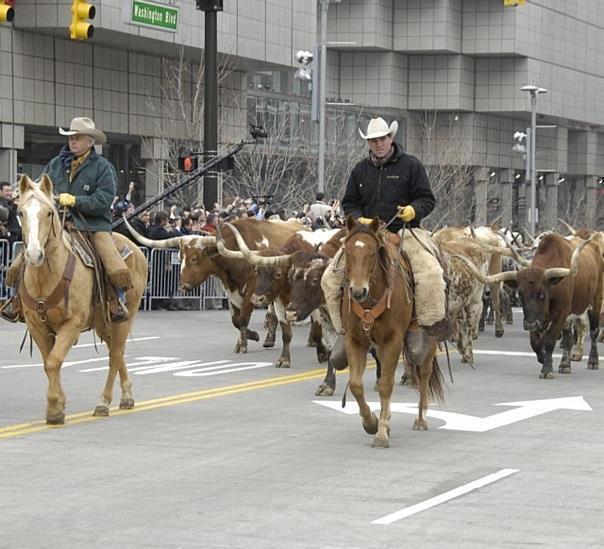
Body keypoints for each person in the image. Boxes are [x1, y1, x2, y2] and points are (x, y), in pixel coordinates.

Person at [321, 116, 450, 368]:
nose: (378, 144)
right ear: (368, 143)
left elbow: (427, 198)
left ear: (391, 138)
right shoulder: (360, 169)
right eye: (373, 140)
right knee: (330, 277)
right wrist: (360, 219)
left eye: (382, 138)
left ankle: (425, 325)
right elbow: (349, 202)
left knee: (430, 272)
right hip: (366, 234)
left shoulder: (411, 165)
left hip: (405, 232)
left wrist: (413, 210)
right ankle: (343, 330)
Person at [1, 117, 131, 323]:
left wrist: (76, 200)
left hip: (93, 225)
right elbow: (40, 190)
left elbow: (105, 199)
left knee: (111, 261)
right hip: (57, 222)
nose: (72, 141)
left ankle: (115, 301)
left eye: (77, 138)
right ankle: (16, 300)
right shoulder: (55, 164)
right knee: (22, 258)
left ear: (90, 141)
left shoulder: (103, 167)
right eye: (71, 137)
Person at [0, 181, 21, 246]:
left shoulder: (10, 203)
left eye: (11, 191)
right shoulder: (2, 203)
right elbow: (6, 214)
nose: (10, 193)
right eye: (7, 191)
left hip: (15, 236)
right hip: (7, 237)